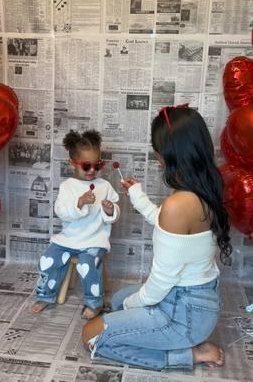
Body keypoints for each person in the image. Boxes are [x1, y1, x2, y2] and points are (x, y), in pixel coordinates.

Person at [82, 105, 232, 369]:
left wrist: (133, 303)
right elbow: (167, 223)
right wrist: (137, 195)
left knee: (91, 333)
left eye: (157, 150)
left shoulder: (178, 205)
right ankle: (176, 336)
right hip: (197, 301)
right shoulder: (203, 190)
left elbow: (161, 281)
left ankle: (191, 354)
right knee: (116, 302)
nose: (156, 155)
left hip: (181, 313)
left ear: (167, 155)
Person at [32, 130, 120, 319]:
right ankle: (45, 295)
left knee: (87, 265)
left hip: (94, 241)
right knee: (48, 260)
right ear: (73, 163)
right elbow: (61, 212)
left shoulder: (104, 186)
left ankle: (94, 302)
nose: (92, 171)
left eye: (97, 166)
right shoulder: (68, 187)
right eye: (86, 166)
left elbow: (113, 214)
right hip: (68, 240)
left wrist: (110, 209)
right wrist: (78, 203)